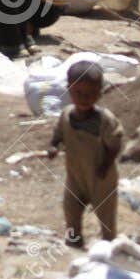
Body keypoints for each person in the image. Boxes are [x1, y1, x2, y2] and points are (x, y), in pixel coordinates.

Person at [46, 60, 123, 247]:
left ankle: (109, 243)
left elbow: (115, 143)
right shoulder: (66, 115)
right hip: (75, 176)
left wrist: (105, 165)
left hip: (101, 177)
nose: (83, 98)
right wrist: (53, 146)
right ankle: (74, 239)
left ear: (99, 93)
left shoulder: (105, 119)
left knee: (105, 213)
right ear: (69, 89)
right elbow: (58, 136)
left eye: (89, 94)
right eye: (78, 92)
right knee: (71, 210)